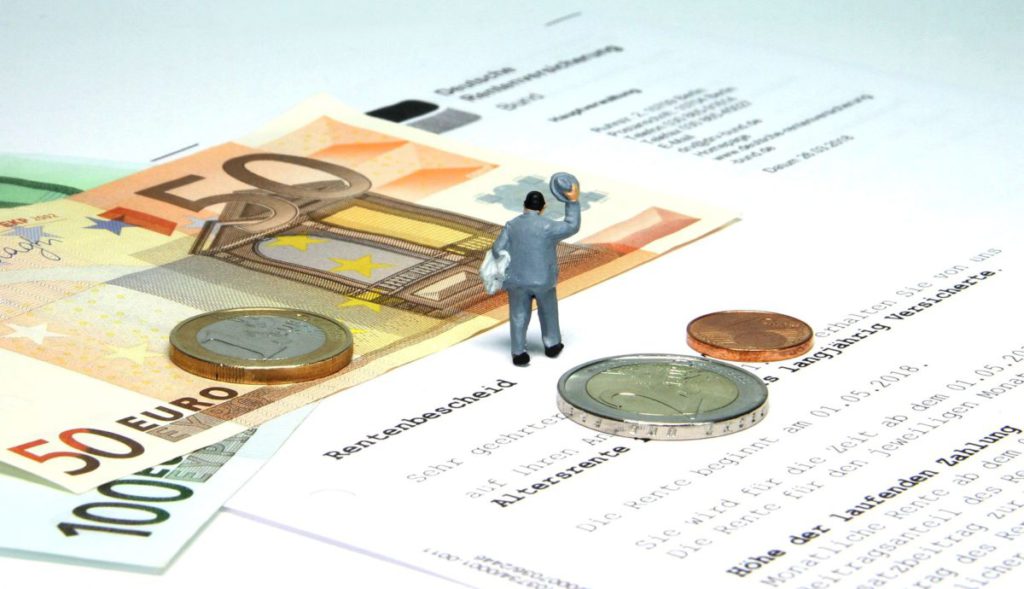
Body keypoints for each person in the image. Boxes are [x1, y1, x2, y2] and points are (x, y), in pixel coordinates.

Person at [490, 181, 581, 366]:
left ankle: (518, 352)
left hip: (517, 280)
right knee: (548, 311)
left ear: (524, 205)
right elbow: (572, 226)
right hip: (543, 280)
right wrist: (572, 202)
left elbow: (497, 249)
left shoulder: (512, 225)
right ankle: (552, 344)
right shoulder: (548, 226)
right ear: (543, 207)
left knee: (518, 315)